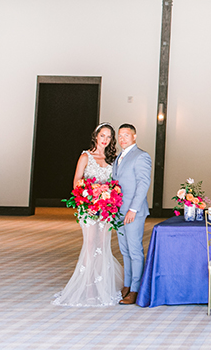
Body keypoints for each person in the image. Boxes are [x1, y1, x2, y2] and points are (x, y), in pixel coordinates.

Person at [52, 123, 124, 307]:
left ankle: (103, 284)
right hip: (89, 208)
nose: (105, 140)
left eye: (109, 137)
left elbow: (115, 183)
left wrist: (109, 194)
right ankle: (89, 288)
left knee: (103, 245)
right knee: (90, 244)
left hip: (106, 208)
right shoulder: (86, 156)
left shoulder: (111, 158)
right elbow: (77, 182)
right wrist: (92, 193)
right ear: (96, 136)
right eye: (102, 135)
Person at [113, 123, 151, 305]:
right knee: (124, 250)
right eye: (120, 136)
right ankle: (127, 285)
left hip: (133, 211)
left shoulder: (141, 156)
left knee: (135, 250)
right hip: (118, 210)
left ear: (134, 136)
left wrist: (133, 209)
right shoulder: (118, 157)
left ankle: (136, 289)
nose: (122, 139)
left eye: (126, 135)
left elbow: (143, 184)